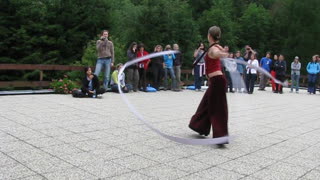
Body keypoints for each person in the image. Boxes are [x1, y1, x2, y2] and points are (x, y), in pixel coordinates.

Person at [189, 26, 229, 147]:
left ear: (209, 36)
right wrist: (223, 53)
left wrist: (221, 54)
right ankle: (198, 126)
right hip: (215, 81)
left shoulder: (214, 49)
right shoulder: (215, 47)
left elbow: (217, 54)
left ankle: (220, 137)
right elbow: (220, 53)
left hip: (217, 81)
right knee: (205, 104)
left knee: (218, 109)